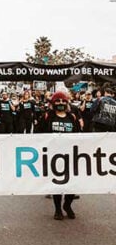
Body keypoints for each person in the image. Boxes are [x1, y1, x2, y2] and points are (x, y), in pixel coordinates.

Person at [38, 91, 80, 220]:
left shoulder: (72, 117)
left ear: (67, 102)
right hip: (53, 156)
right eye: (58, 101)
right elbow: (38, 134)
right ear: (53, 103)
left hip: (71, 155)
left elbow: (79, 134)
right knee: (57, 184)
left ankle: (67, 205)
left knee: (72, 184)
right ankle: (57, 209)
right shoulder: (47, 117)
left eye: (63, 101)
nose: (60, 103)